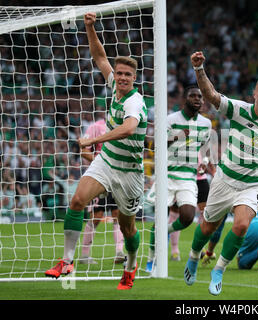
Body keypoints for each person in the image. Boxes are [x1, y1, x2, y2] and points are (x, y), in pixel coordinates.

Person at [45, 12, 148, 291]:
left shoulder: (135, 102)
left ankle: (130, 264)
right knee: (77, 200)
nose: (123, 78)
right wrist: (90, 27)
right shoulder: (113, 83)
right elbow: (99, 56)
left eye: (128, 74)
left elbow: (128, 129)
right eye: (120, 73)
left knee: (127, 228)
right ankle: (67, 261)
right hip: (107, 162)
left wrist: (96, 139)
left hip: (130, 173)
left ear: (135, 78)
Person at [184, 51, 258, 296]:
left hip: (253, 185)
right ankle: (193, 256)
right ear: (254, 94)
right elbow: (211, 96)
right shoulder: (239, 110)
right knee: (207, 228)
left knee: (242, 225)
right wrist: (199, 69)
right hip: (225, 179)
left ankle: (219, 270)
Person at [145, 86, 212, 271]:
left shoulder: (206, 124)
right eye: (193, 95)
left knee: (188, 216)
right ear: (185, 98)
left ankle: (163, 233)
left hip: (188, 177)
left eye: (200, 96)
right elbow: (157, 145)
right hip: (166, 174)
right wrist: (178, 136)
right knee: (161, 217)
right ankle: (151, 258)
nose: (197, 99)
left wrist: (205, 160)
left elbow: (206, 145)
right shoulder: (170, 120)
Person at [200, 191, 258, 271]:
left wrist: (209, 251)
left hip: (254, 223)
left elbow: (218, 228)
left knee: (243, 263)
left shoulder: (232, 191)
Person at [78, 115, 125, 265]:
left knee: (118, 214)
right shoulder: (95, 127)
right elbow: (84, 151)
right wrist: (101, 163)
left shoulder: (123, 128)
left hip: (117, 177)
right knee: (97, 215)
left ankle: (119, 252)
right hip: (99, 176)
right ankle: (84, 255)